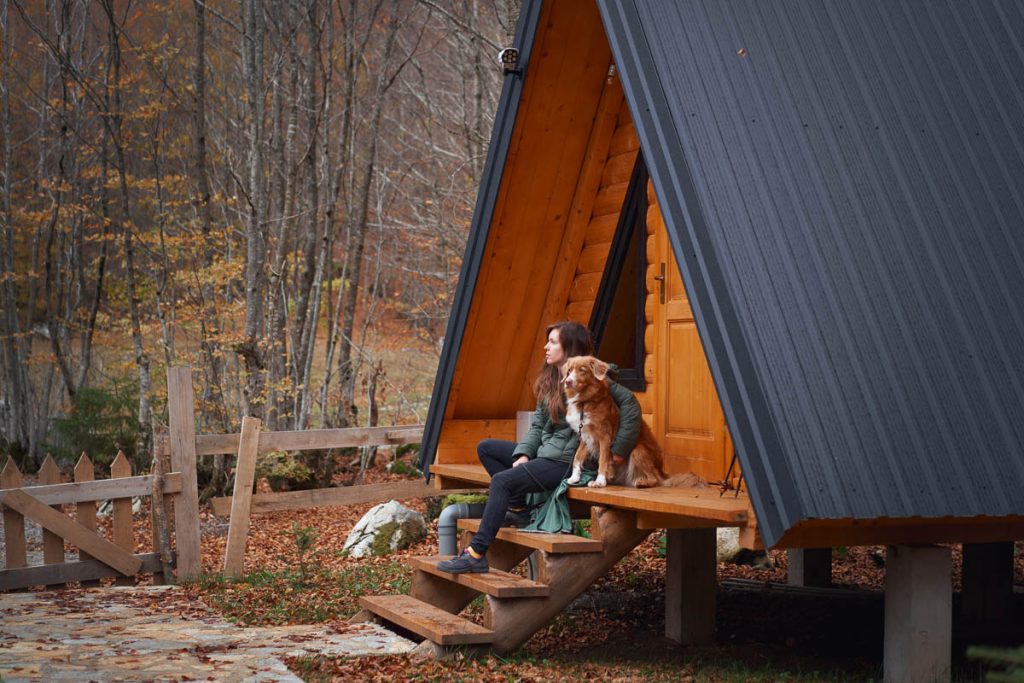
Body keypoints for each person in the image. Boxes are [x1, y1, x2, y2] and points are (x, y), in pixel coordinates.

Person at [437, 321, 643, 574]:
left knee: (502, 481)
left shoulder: (591, 376)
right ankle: (519, 509)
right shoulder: (550, 382)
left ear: (569, 346)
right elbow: (536, 427)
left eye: (553, 342)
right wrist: (523, 453)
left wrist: (617, 452)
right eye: (548, 341)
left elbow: (631, 408)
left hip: (563, 463)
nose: (546, 347)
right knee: (487, 448)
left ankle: (476, 553)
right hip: (545, 454)